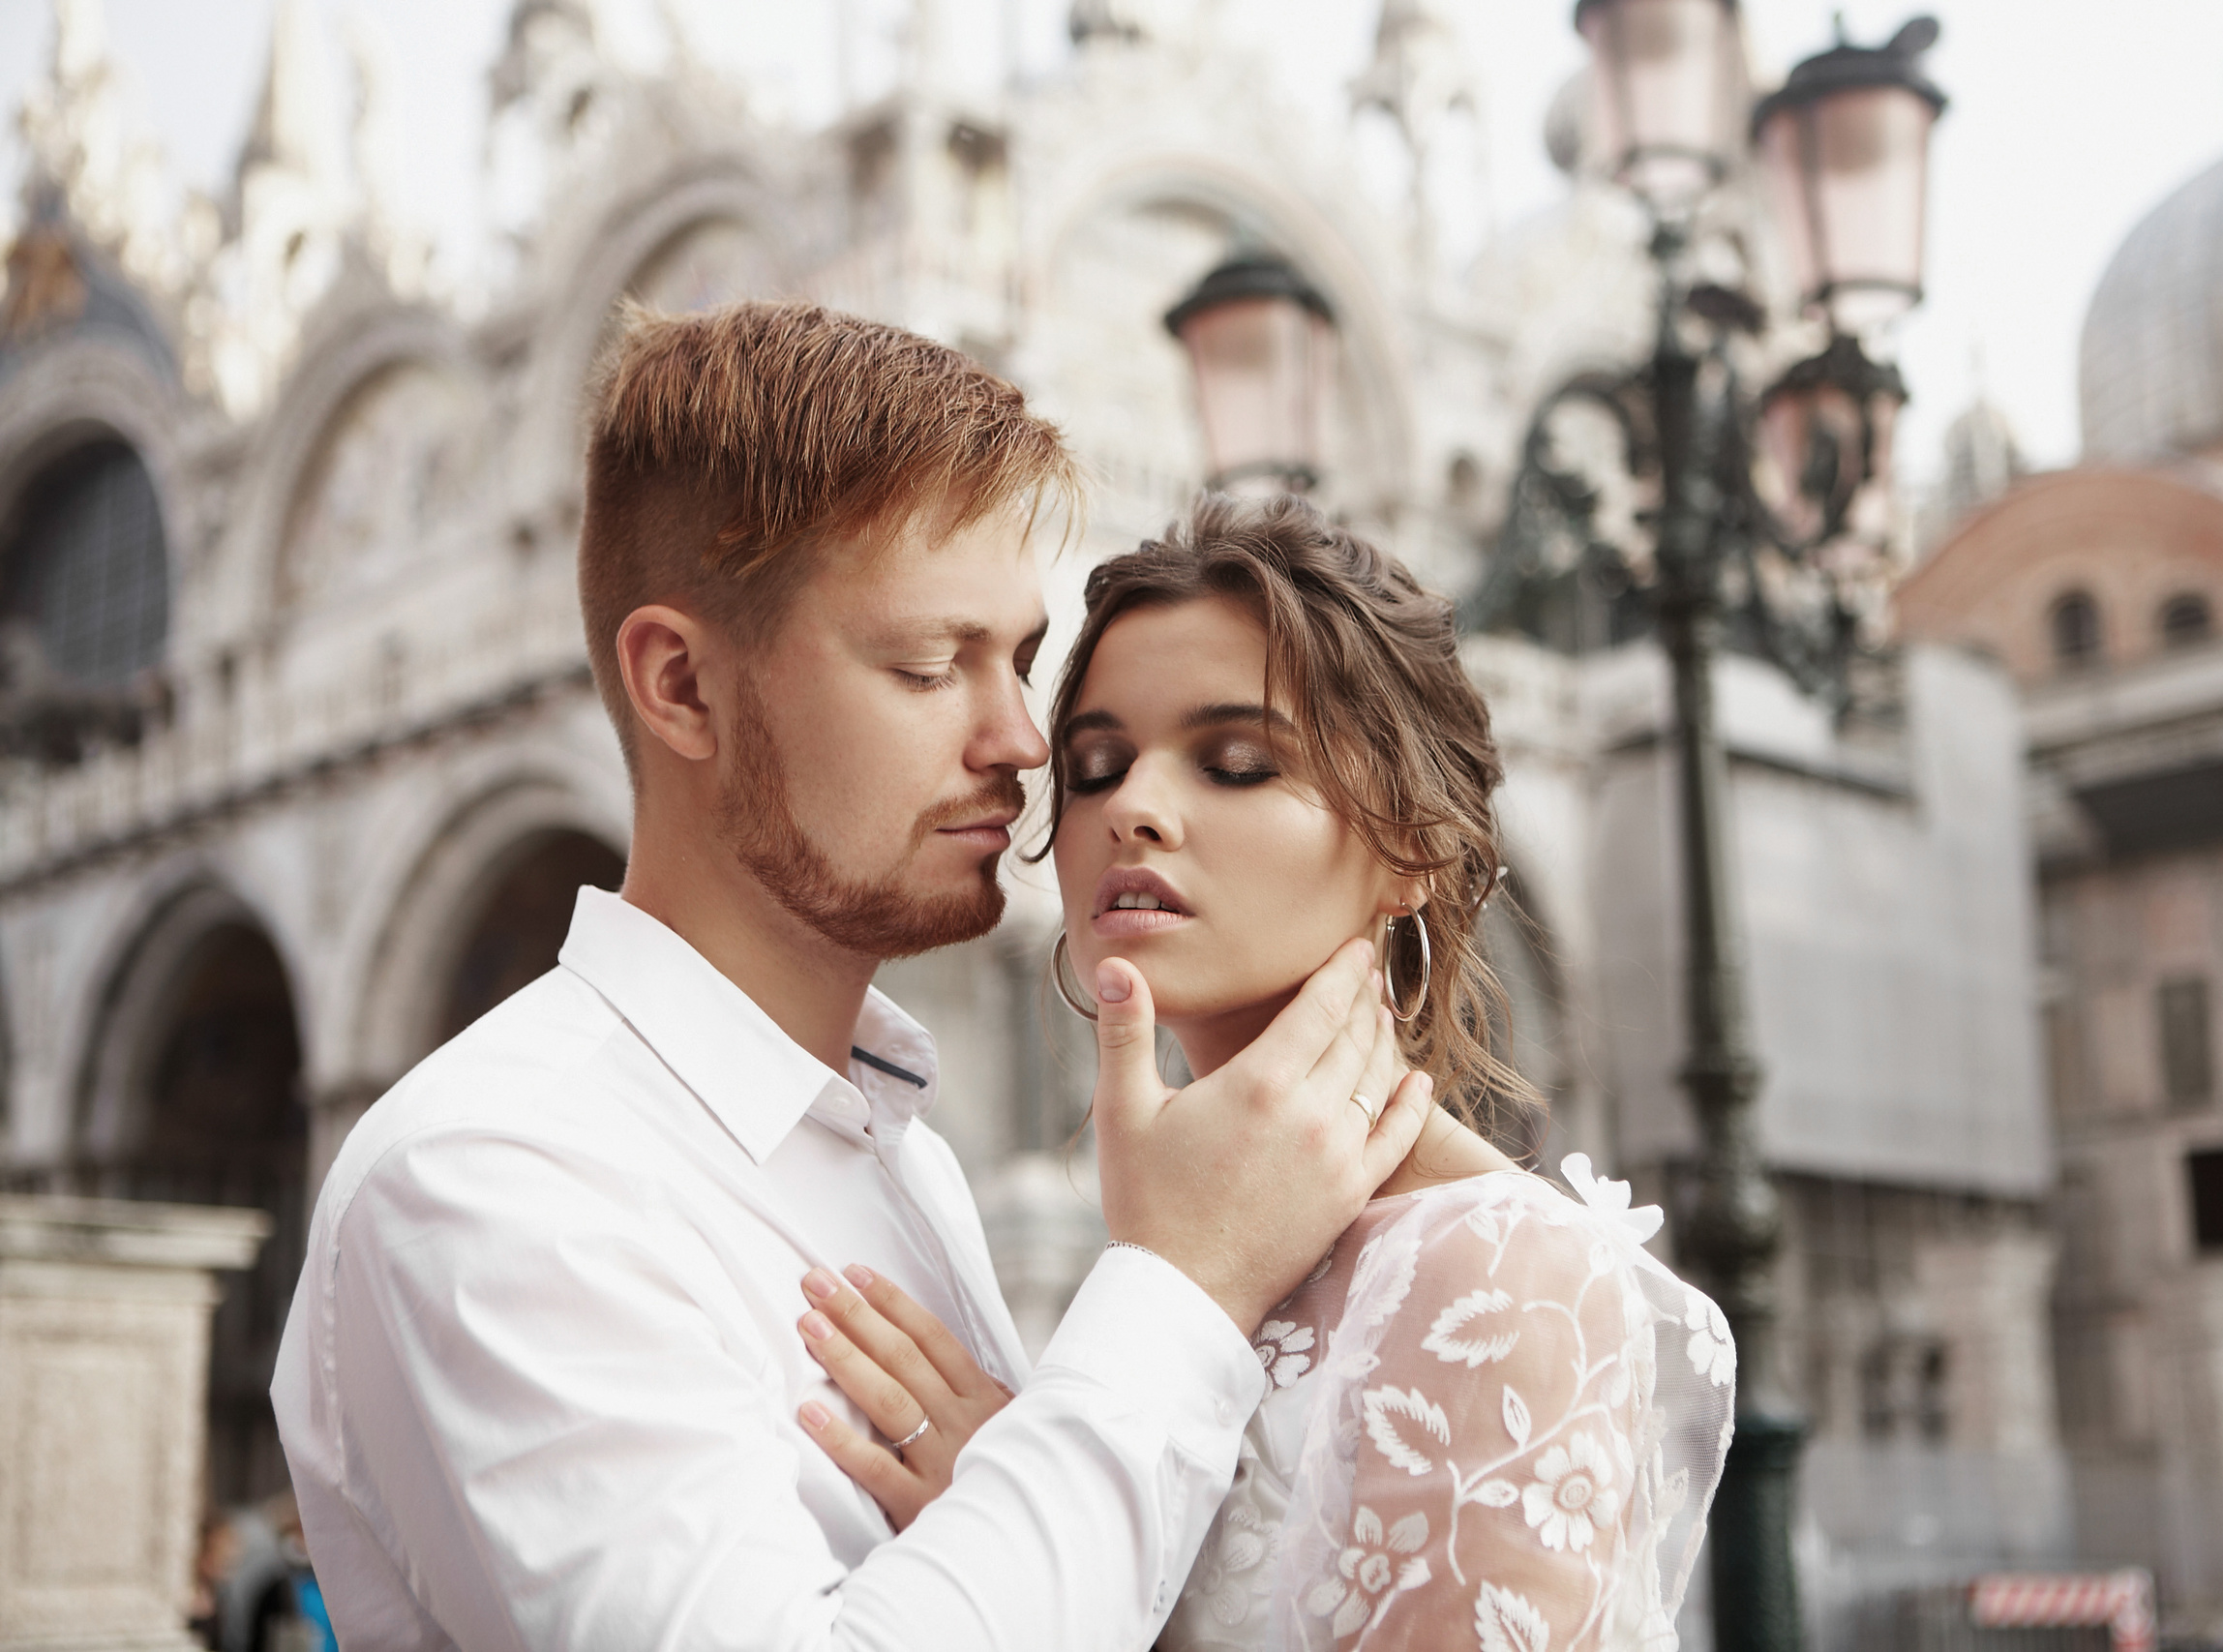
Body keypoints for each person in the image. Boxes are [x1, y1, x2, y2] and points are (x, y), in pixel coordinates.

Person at [271, 302, 1433, 1651]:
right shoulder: (493, 1170)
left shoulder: (901, 1151)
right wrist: (1186, 1285)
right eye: (934, 664)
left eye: (1024, 662)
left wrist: (1019, 1470)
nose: (1019, 741)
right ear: (684, 686)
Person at [791, 495, 1737, 1649]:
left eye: (1236, 764)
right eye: (1094, 766)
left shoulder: (1500, 1270)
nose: (1133, 808)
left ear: (1412, 850)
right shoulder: (1161, 1221)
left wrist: (1030, 1559)